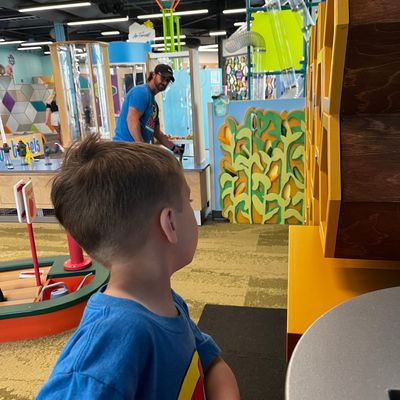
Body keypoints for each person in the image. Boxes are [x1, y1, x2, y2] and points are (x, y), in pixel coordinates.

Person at [36, 135, 240, 400]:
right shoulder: (113, 337)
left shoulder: (165, 300)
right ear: (170, 224)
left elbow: (211, 365)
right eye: (189, 203)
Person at [113, 63, 183, 155]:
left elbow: (157, 133)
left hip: (136, 151)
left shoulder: (154, 106)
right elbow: (132, 120)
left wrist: (174, 148)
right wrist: (143, 147)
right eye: (163, 78)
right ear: (153, 74)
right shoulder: (141, 92)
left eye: (168, 80)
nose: (165, 83)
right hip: (125, 150)